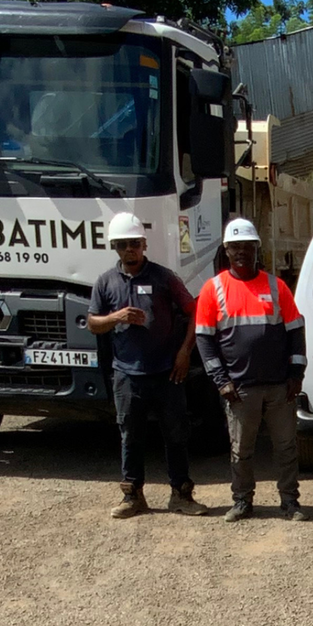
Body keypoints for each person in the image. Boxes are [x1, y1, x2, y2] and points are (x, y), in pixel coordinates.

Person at [88, 212, 208, 519]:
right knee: (130, 435)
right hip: (127, 375)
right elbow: (92, 323)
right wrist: (116, 317)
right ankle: (133, 497)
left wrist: (184, 352)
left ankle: (181, 495)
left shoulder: (164, 277)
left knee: (176, 434)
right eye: (122, 244)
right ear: (115, 247)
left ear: (144, 244)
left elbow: (195, 311)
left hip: (167, 372)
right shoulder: (105, 282)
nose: (129, 249)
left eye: (134, 243)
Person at [196, 218, 308, 522]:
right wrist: (221, 381)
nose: (242, 252)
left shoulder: (277, 286)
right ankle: (242, 500)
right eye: (235, 248)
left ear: (256, 249)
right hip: (239, 389)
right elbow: (204, 340)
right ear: (226, 251)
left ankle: (290, 502)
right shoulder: (213, 289)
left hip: (278, 386)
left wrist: (296, 374)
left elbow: (296, 332)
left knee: (286, 448)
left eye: (247, 247)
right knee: (241, 450)